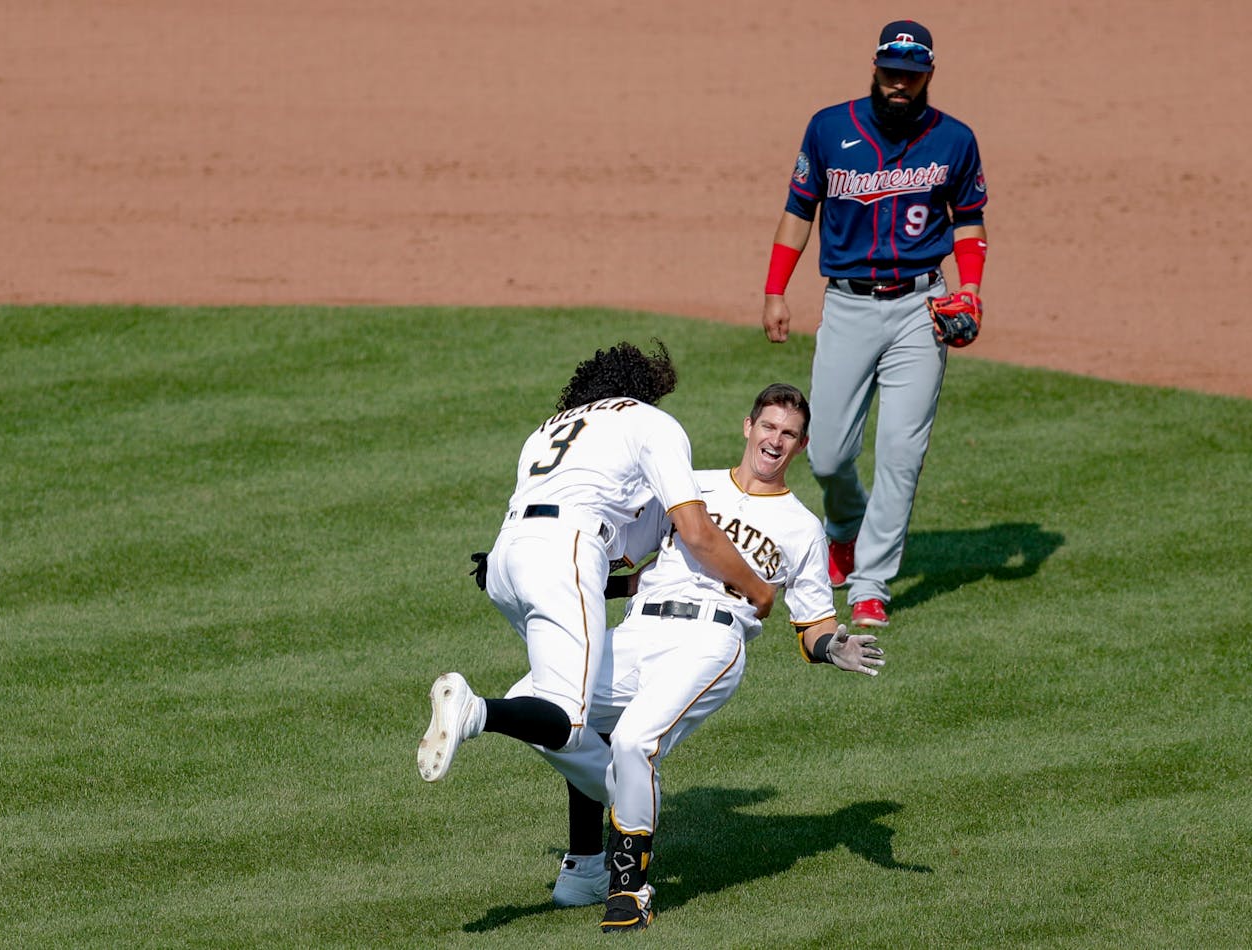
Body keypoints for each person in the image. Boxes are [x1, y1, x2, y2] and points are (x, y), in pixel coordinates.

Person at [527, 383, 886, 932]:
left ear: (802, 445)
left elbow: (812, 626)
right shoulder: (690, 487)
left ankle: (630, 888)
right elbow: (618, 557)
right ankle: (612, 824)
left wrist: (833, 645)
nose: (775, 441)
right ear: (748, 427)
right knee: (535, 706)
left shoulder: (803, 528)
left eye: (788, 434)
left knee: (633, 740)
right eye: (768, 427)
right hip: (639, 628)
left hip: (710, 642)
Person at [416, 340, 775, 788]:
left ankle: (588, 854)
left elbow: (606, 556)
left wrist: (628, 586)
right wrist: (758, 590)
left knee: (576, 709)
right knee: (567, 720)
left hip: (506, 559)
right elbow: (697, 531)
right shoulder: (650, 422)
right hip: (564, 549)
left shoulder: (547, 430)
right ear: (644, 389)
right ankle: (475, 712)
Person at [760, 19, 991, 629]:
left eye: (911, 74)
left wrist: (969, 289)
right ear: (875, 66)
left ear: (928, 76)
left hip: (922, 309)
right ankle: (843, 526)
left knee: (900, 453)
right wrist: (775, 290)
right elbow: (797, 211)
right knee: (829, 452)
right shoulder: (829, 128)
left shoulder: (954, 140)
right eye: (891, 70)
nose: (899, 82)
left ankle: (871, 583)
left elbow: (968, 221)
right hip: (848, 305)